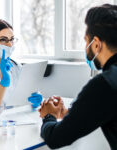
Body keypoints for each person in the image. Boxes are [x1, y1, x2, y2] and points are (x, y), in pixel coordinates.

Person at [39, 4, 117, 150]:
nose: (85, 45)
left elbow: (56, 138)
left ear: (96, 44)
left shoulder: (105, 84)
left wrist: (48, 116)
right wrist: (70, 114)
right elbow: (102, 110)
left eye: (86, 40)